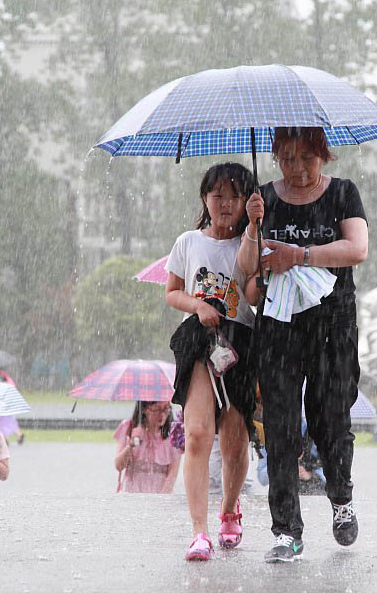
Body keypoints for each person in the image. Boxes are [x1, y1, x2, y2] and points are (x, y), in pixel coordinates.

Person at [237, 126, 367, 562]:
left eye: (306, 158)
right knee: (280, 424)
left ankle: (341, 498)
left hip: (333, 322)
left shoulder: (343, 193)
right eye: (287, 158)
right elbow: (245, 269)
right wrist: (254, 226)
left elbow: (357, 248)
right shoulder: (263, 199)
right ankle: (286, 530)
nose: (296, 168)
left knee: (330, 417)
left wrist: (301, 255)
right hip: (279, 322)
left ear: (324, 155)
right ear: (275, 157)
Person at [166, 162, 261, 561]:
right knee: (200, 433)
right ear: (205, 197)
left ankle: (229, 512)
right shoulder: (188, 242)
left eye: (235, 196)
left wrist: (255, 229)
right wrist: (197, 305)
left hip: (239, 344)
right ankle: (198, 531)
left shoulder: (251, 242)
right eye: (218, 194)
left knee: (235, 436)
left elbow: (254, 297)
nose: (225, 203)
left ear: (247, 202)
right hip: (199, 340)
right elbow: (172, 292)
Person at [113, 401, 181, 493]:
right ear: (145, 409)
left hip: (160, 496)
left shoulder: (173, 433)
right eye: (157, 409)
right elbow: (119, 466)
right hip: (132, 495)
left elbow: (172, 476)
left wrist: (162, 500)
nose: (162, 415)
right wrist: (131, 445)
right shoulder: (129, 427)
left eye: (166, 409)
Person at [0, 367, 25, 445]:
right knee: (10, 422)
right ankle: (18, 435)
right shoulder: (5, 377)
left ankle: (5, 438)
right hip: (8, 404)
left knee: (1, 423)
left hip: (1, 404)